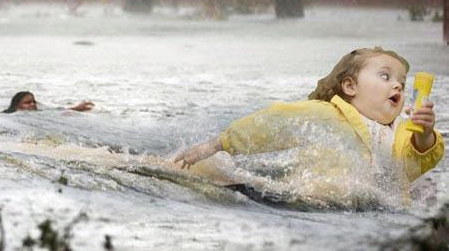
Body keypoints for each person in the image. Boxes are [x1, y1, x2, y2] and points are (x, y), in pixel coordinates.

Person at [173, 47, 444, 196]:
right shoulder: (326, 115)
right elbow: (273, 123)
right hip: (304, 195)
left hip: (371, 205)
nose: (397, 85)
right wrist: (216, 145)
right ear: (350, 86)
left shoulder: (401, 134)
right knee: (231, 181)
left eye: (402, 82)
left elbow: (414, 161)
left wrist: (425, 135)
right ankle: (176, 167)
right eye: (385, 76)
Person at [3, 91, 95, 113]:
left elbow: (55, 112)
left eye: (34, 102)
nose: (32, 104)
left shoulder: (39, 113)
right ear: (17, 106)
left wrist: (77, 108)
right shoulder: (9, 115)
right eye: (27, 103)